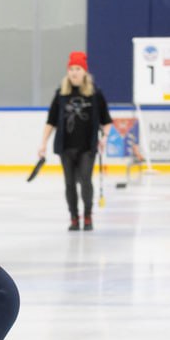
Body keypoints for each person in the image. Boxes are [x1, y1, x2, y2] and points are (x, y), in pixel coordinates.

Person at [39, 51, 112, 231]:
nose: (74, 72)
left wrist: (104, 138)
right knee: (70, 183)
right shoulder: (61, 94)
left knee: (85, 180)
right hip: (65, 147)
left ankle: (87, 216)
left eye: (77, 68)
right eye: (71, 69)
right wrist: (43, 143)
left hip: (87, 146)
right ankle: (74, 216)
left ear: (84, 71)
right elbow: (51, 121)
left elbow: (107, 122)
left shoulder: (95, 93)